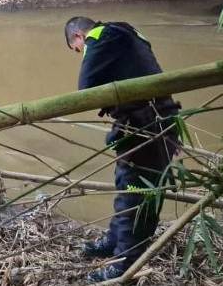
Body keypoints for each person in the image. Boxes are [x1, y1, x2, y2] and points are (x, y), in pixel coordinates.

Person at [64, 16, 183, 282]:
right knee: (128, 184)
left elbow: (86, 90)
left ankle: (124, 264)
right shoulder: (130, 32)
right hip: (158, 121)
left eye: (77, 50)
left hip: (145, 126)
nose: (81, 53)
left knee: (135, 193)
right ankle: (115, 241)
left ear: (78, 37)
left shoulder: (98, 37)